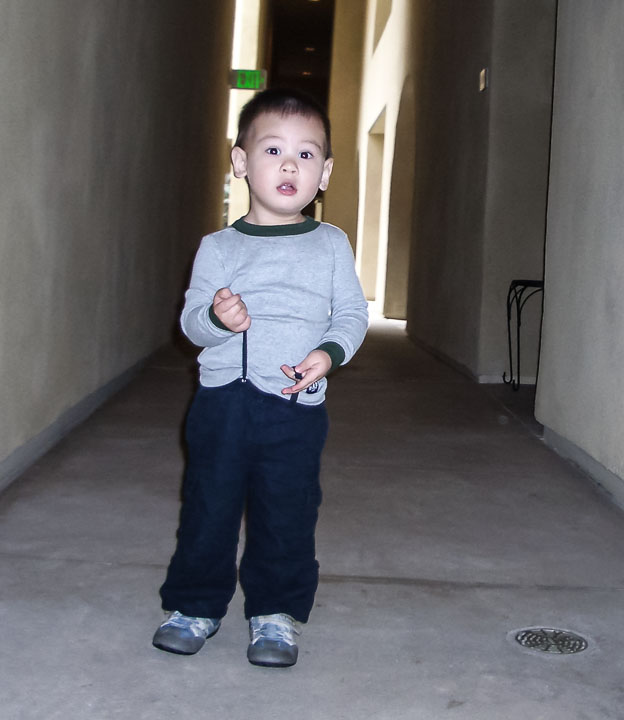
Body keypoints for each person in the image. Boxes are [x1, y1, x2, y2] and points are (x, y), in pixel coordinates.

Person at [153, 88, 368, 668]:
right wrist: (217, 319)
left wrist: (329, 352)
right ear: (241, 162)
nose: (289, 165)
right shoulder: (219, 248)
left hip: (295, 406)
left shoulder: (330, 244)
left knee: (287, 512)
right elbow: (192, 325)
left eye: (306, 154)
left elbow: (352, 313)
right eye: (273, 150)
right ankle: (194, 606)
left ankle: (275, 612)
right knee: (209, 506)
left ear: (324, 173)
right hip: (223, 404)